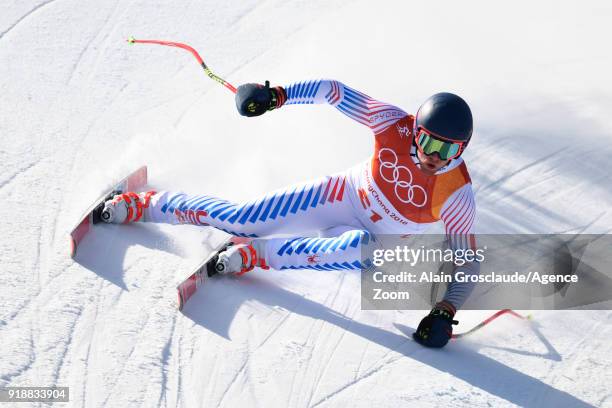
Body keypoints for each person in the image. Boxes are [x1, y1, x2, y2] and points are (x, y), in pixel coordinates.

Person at [101, 79, 480, 348]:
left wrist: (445, 311)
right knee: (242, 220)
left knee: (361, 248)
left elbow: (468, 263)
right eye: (429, 142)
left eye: (448, 151)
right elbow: (334, 92)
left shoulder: (457, 194)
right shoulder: (392, 124)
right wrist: (275, 97)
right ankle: (141, 204)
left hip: (375, 244)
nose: (434, 157)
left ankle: (253, 256)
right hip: (341, 195)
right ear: (416, 130)